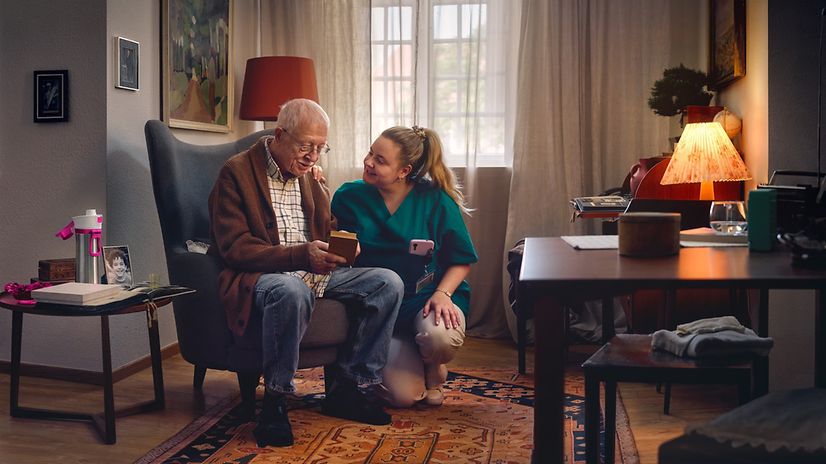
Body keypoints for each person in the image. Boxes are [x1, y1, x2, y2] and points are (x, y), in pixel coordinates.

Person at [208, 99, 404, 448]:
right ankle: (275, 402)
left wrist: (342, 247)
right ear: (279, 135)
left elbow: (326, 227)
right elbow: (234, 248)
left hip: (313, 270)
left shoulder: (309, 177)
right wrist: (301, 255)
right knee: (290, 290)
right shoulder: (235, 173)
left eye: (320, 147)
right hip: (263, 276)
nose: (314, 156)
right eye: (306, 146)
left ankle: (347, 387)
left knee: (387, 283)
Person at [331, 125, 478, 407]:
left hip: (426, 299)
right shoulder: (348, 197)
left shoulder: (435, 199)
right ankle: (411, 355)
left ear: (404, 171)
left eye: (380, 160)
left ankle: (432, 363)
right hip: (381, 311)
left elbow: (462, 260)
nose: (368, 162)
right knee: (403, 397)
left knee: (439, 338)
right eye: (370, 153)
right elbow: (337, 250)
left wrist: (442, 294)